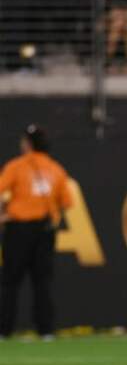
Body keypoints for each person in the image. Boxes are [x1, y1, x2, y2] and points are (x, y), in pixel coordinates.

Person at [0, 125, 73, 340]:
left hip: (18, 230)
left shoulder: (17, 166)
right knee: (42, 282)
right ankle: (46, 330)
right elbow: (67, 202)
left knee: (9, 282)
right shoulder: (56, 168)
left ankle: (4, 330)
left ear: (28, 144)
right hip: (45, 230)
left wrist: (4, 213)